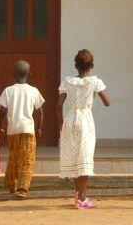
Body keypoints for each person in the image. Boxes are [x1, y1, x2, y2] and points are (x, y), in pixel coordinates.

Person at [57, 49, 109, 209]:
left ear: (75, 66)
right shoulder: (94, 82)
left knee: (73, 157)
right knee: (84, 157)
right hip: (85, 121)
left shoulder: (67, 82)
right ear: (91, 65)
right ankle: (83, 197)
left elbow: (58, 106)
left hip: (70, 120)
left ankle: (78, 193)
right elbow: (107, 102)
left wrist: (61, 124)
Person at [0, 61, 43, 200]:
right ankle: (22, 188)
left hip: (13, 130)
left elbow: (3, 110)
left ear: (13, 74)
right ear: (30, 74)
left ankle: (12, 184)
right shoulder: (33, 90)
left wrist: (0, 124)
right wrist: (39, 127)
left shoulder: (8, 90)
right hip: (28, 129)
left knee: (14, 157)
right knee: (27, 159)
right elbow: (40, 111)